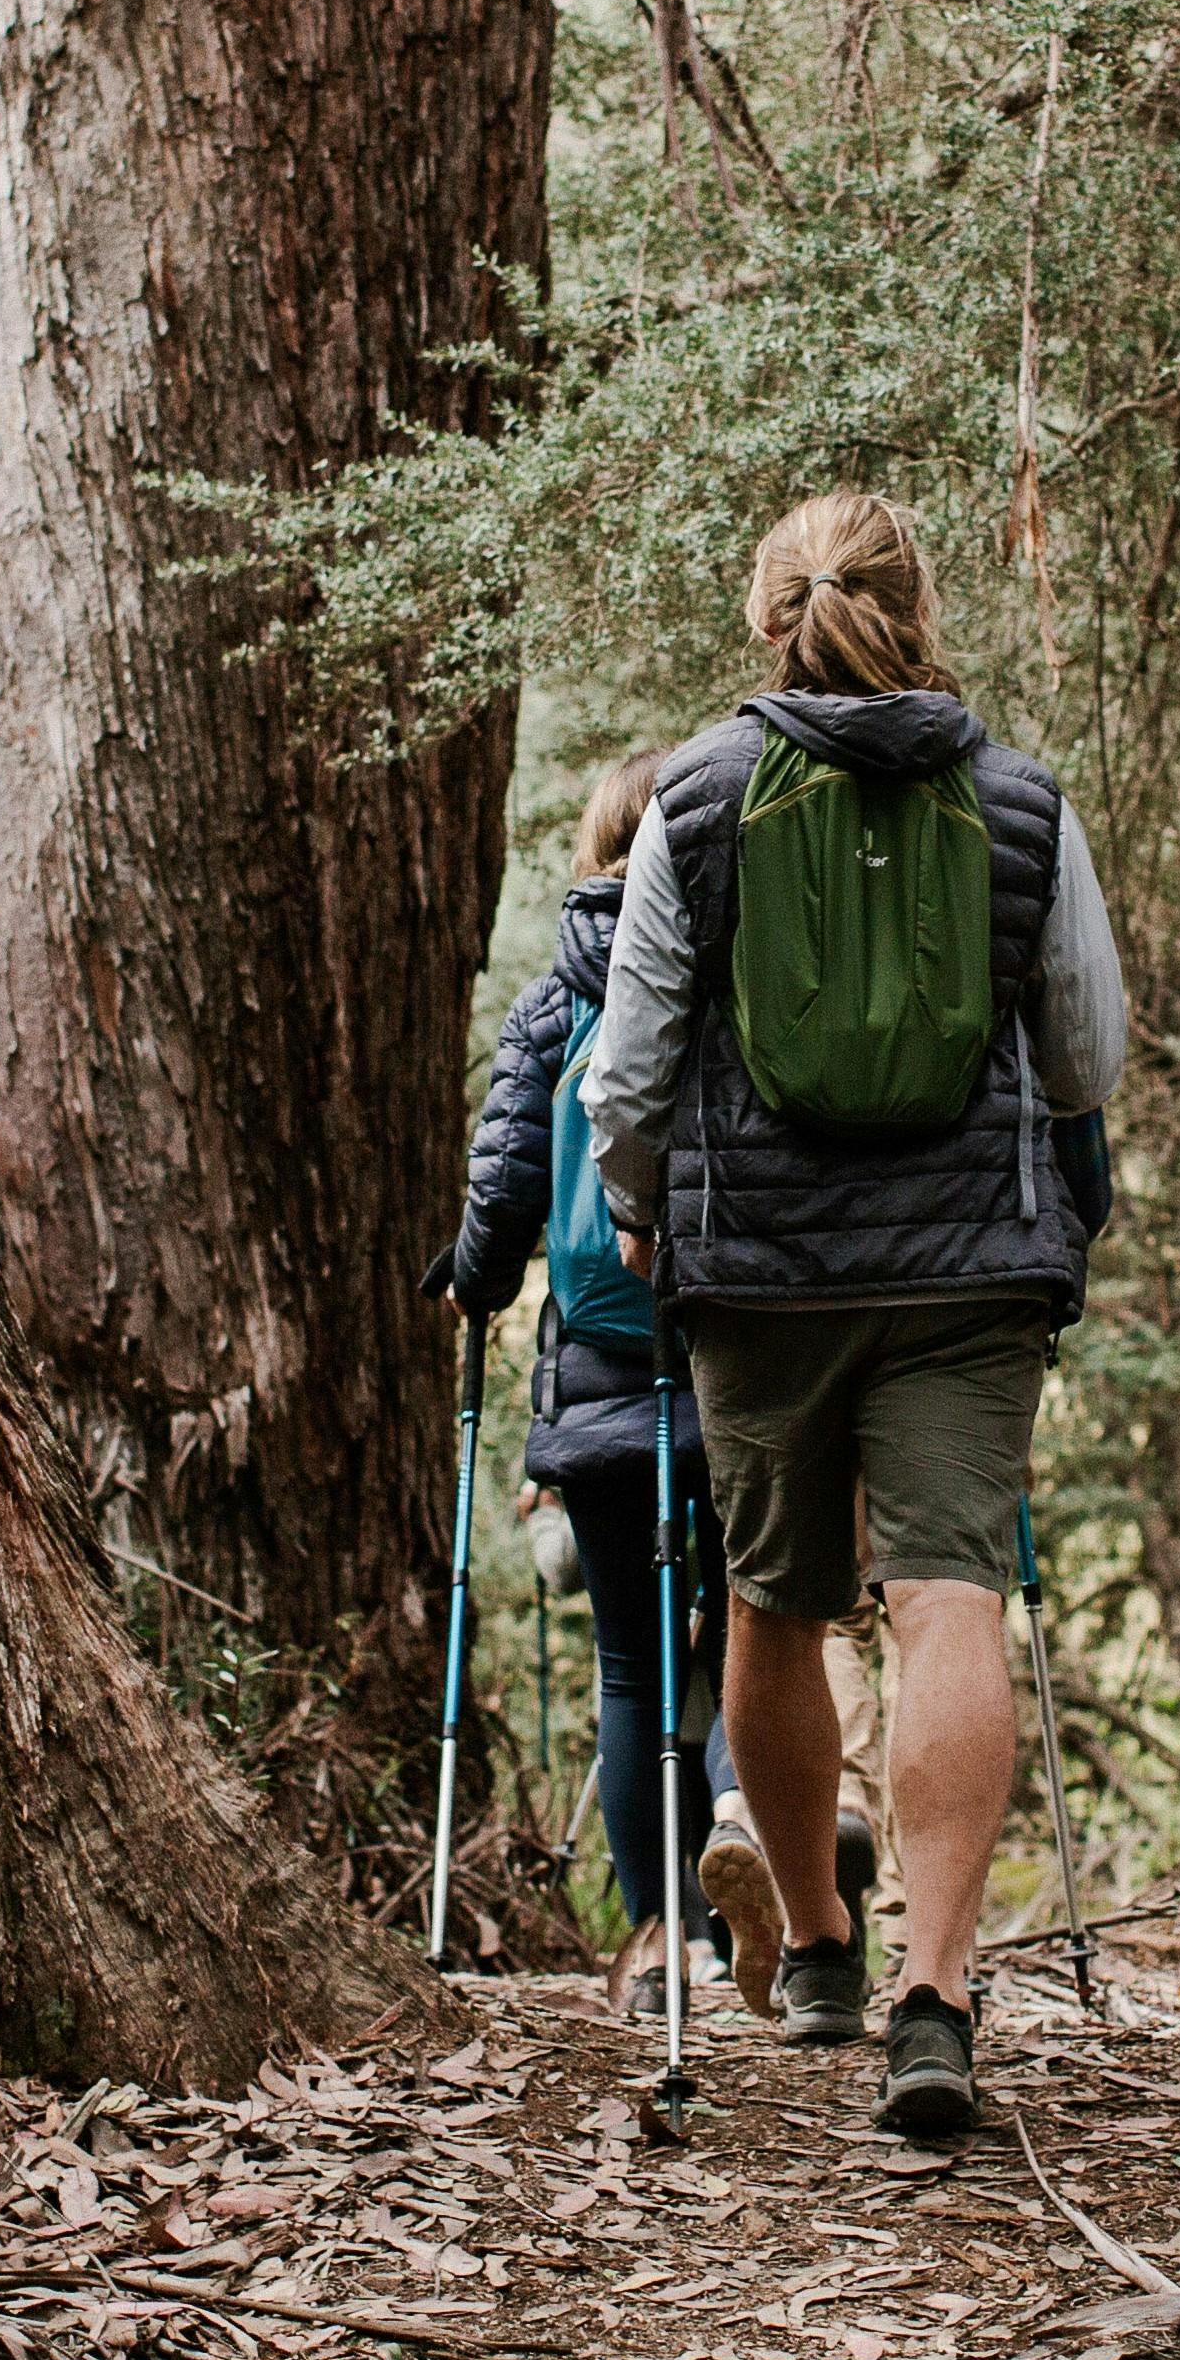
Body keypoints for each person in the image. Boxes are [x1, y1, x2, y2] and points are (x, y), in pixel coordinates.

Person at [583, 490, 1127, 2141]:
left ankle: (816, 1943)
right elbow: (1088, 1052)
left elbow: (634, 1063)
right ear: (917, 604)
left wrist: (634, 1207)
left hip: (758, 1271)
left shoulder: (694, 800)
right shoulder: (1020, 801)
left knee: (775, 1600)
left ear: (772, 619)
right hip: (969, 1270)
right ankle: (936, 1998)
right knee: (947, 1594)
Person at [435, 755, 875, 2011]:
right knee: (752, 1623)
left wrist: (468, 1277)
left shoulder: (552, 996)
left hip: (601, 1383)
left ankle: (660, 1945)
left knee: (630, 1666)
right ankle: (749, 1812)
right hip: (743, 1363)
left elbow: (505, 1189)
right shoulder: (739, 961)